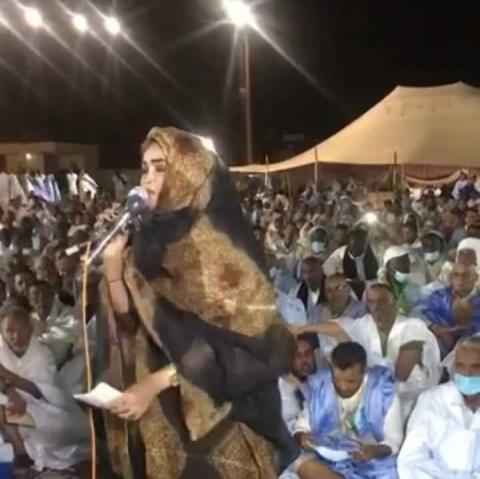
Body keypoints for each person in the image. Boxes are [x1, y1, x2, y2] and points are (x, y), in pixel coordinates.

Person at [99, 127, 299, 478]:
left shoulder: (224, 253)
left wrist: (156, 382)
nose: (147, 179)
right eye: (144, 168)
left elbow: (247, 347)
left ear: (188, 176)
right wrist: (114, 272)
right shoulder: (146, 240)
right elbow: (132, 319)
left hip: (224, 417)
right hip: (161, 417)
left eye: (160, 167)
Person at [299, 284, 441, 417]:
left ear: (394, 302)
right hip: (378, 404)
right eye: (371, 302)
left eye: (382, 301)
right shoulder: (366, 325)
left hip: (416, 404)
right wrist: (301, 329)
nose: (377, 307)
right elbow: (339, 327)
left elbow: (401, 375)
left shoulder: (413, 326)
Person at [294, 342, 403, 479]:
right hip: (326, 459)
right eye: (337, 380)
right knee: (302, 465)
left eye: (350, 381)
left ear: (364, 371)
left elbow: (393, 441)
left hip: (371, 463)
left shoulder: (383, 390)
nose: (343, 387)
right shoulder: (320, 386)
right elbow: (301, 427)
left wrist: (373, 451)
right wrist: (302, 437)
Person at [0, 306, 89, 473]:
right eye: (9, 331)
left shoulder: (42, 355)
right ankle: (19, 449)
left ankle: (24, 451)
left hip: (45, 411)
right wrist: (10, 391)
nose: (15, 336)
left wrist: (7, 375)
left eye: (21, 330)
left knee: (57, 430)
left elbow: (40, 393)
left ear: (30, 329)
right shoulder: (1, 350)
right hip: (11, 410)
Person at [398, 336, 480, 478]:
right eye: (460, 366)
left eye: (476, 367)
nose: (467, 373)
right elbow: (411, 458)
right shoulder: (432, 399)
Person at [416, 263, 480, 358]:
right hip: (439, 350)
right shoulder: (438, 297)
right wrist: (435, 328)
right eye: (456, 274)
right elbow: (419, 317)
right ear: (450, 278)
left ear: (474, 278)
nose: (460, 279)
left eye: (465, 275)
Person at [28, 280, 78, 367]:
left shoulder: (67, 314)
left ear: (53, 296)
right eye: (35, 295)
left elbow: (60, 347)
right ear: (30, 301)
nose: (41, 299)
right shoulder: (28, 320)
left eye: (45, 294)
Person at [323, 227, 378, 300]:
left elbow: (381, 276)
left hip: (373, 291)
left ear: (366, 244)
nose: (356, 247)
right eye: (353, 244)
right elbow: (328, 275)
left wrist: (366, 284)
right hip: (347, 293)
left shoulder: (376, 254)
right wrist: (346, 281)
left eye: (360, 244)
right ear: (348, 243)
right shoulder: (338, 256)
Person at [379, 246, 422, 314]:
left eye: (406, 261)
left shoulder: (415, 282)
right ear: (388, 266)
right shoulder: (381, 289)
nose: (405, 265)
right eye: (400, 262)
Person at [293, 257, 325, 324]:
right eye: (305, 272)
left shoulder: (330, 287)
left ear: (321, 270)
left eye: (311, 271)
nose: (308, 276)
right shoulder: (298, 289)